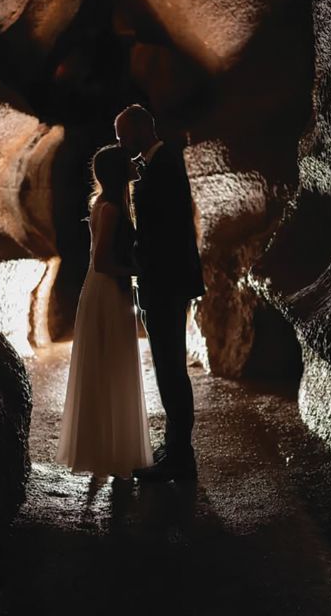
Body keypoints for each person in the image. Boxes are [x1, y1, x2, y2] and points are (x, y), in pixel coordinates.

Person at [114, 104, 205, 482]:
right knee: (168, 368)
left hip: (165, 282)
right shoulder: (158, 163)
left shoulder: (165, 163)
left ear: (140, 130)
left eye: (123, 136)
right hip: (163, 280)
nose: (120, 144)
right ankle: (175, 446)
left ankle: (181, 459)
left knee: (171, 370)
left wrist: (132, 258)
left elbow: (163, 231)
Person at [54, 144, 153, 479]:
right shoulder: (110, 208)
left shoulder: (107, 203)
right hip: (107, 291)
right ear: (118, 171)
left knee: (109, 368)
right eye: (129, 161)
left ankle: (107, 454)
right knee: (110, 367)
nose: (135, 163)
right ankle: (110, 455)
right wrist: (142, 268)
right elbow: (102, 261)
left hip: (106, 291)